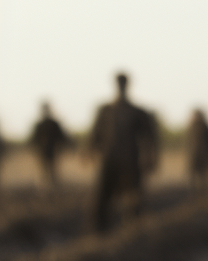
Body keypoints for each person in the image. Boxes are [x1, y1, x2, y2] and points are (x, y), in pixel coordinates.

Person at [88, 73, 159, 231]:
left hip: (130, 161)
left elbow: (150, 138)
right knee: (102, 199)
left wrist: (150, 159)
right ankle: (100, 232)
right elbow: (95, 135)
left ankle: (131, 231)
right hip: (110, 160)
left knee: (133, 199)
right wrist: (89, 153)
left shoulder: (137, 112)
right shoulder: (105, 110)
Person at [29, 102, 73, 187]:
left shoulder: (53, 123)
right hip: (43, 149)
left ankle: (52, 181)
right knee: (45, 165)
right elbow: (35, 138)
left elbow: (61, 136)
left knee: (51, 165)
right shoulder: (40, 124)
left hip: (52, 148)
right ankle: (47, 181)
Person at [185, 108, 208, 191]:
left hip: (202, 154)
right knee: (194, 175)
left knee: (203, 175)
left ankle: (202, 189)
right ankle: (194, 190)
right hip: (195, 155)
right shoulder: (193, 127)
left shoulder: (204, 127)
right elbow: (188, 141)